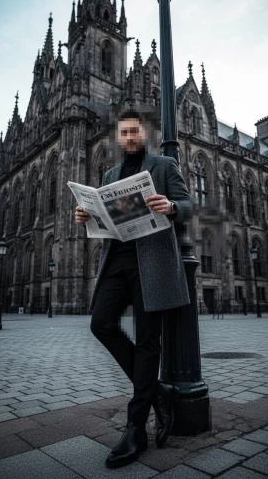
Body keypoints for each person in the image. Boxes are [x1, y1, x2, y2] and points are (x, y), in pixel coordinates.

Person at [75, 109, 192, 469]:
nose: (128, 137)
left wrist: (171, 206)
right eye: (123, 133)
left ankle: (135, 427)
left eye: (133, 132)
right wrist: (86, 215)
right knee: (101, 324)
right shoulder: (110, 174)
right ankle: (158, 391)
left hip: (152, 262)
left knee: (147, 342)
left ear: (143, 133)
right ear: (118, 137)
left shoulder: (163, 165)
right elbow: (107, 218)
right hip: (116, 260)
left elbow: (188, 205)